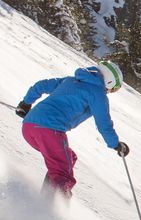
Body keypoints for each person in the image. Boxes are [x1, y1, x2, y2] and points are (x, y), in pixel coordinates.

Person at [16, 60, 130, 199]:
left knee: (67, 159)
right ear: (110, 82)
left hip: (28, 127)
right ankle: (49, 212)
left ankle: (45, 198)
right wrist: (116, 144)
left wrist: (25, 104)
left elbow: (41, 86)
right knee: (63, 174)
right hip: (50, 131)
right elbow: (103, 123)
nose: (110, 92)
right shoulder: (98, 94)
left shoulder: (70, 81)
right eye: (114, 89)